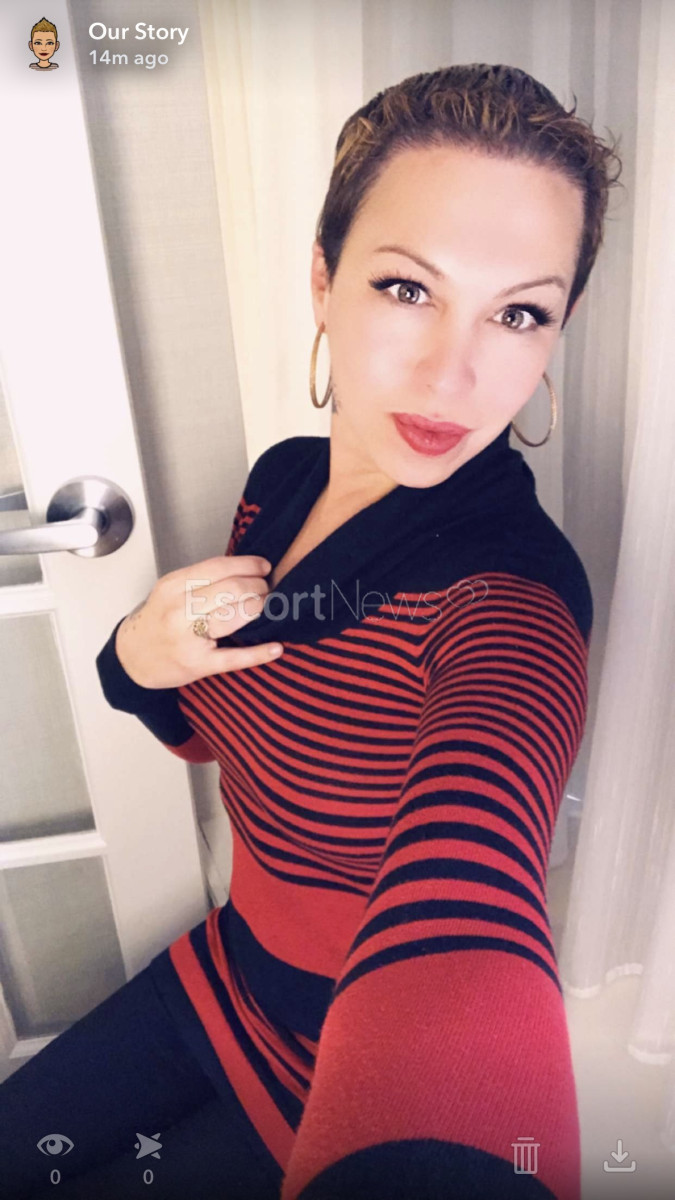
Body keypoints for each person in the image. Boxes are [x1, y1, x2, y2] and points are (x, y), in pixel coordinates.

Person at [0, 63, 622, 1200]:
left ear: (554, 335)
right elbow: (215, 725)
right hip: (222, 973)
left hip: (336, 1070)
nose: (452, 372)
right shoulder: (281, 487)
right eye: (407, 288)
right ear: (324, 281)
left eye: (518, 312)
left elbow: (479, 853)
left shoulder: (510, 604)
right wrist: (135, 657)